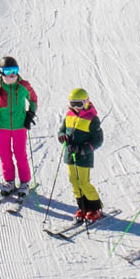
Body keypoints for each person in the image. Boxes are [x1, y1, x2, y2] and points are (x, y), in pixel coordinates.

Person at [0, 57, 38, 192]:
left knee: (20, 154)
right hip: (2, 125)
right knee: (4, 154)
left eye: (15, 70)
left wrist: (30, 114)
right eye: (8, 71)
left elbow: (33, 99)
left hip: (19, 125)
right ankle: (9, 181)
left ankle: (25, 182)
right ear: (1, 72)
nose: (12, 74)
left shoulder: (23, 86)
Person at [57, 88, 105, 220]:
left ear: (86, 102)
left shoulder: (92, 118)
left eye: (79, 104)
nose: (76, 107)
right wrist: (61, 136)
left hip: (84, 156)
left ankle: (95, 208)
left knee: (83, 182)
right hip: (70, 153)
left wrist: (84, 149)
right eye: (73, 104)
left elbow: (98, 140)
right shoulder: (69, 115)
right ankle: (82, 207)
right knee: (74, 181)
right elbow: (61, 130)